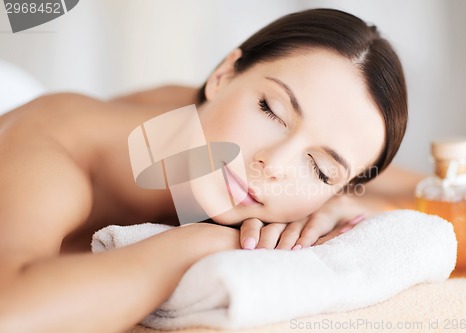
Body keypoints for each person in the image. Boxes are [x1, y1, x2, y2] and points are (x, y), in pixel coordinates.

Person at [0, 8, 407, 333]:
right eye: (270, 110)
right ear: (223, 75)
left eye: (319, 169)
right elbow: (11, 312)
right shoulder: (53, 152)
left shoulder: (228, 127)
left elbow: (435, 190)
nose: (274, 165)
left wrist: (336, 211)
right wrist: (197, 243)